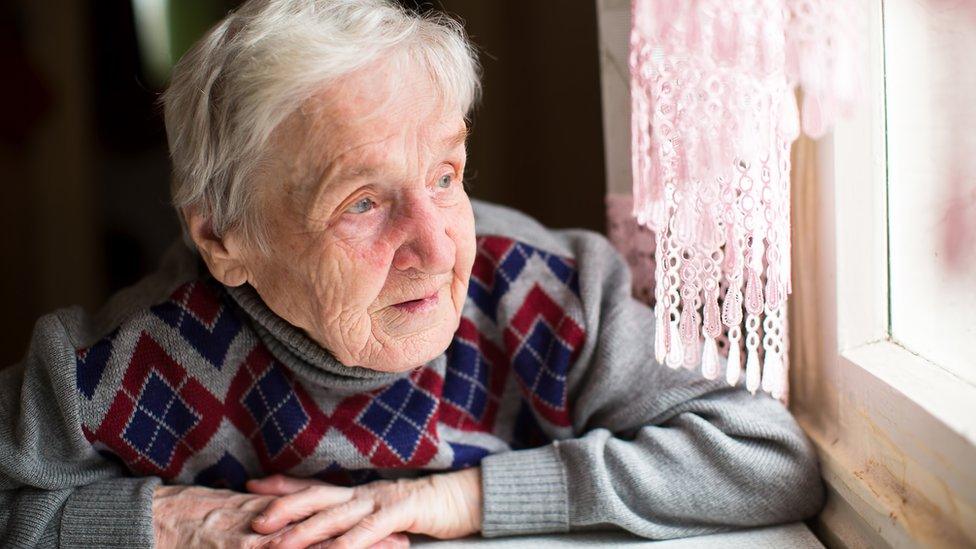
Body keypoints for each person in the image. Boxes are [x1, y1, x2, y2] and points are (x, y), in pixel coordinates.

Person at [0, 0, 825, 547]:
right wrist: (178, 521)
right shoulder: (121, 365)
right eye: (362, 203)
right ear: (224, 240)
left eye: (443, 176)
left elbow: (762, 455)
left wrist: (459, 498)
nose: (437, 248)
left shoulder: (550, 293)